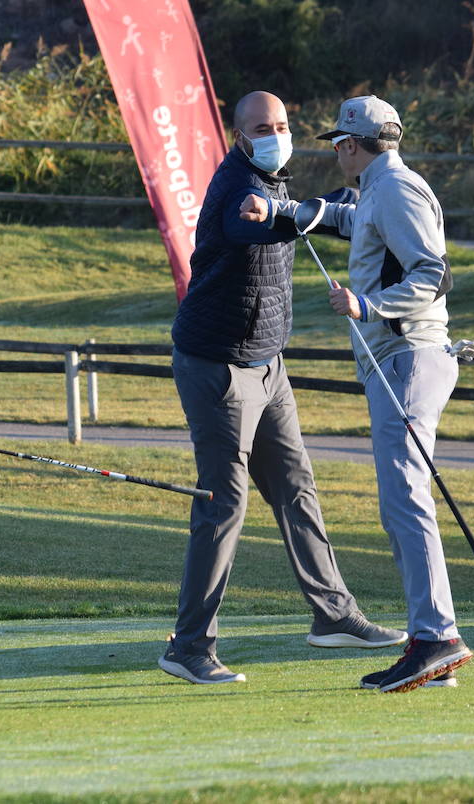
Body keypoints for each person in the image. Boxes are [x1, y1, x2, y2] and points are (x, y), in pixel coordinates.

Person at [160, 90, 407, 685]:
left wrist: (328, 208)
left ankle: (333, 615)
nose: (275, 133)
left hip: (268, 365)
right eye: (261, 126)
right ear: (238, 135)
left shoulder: (273, 181)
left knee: (297, 487)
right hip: (217, 366)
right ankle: (189, 646)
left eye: (282, 124)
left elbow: (289, 217)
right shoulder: (237, 188)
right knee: (225, 503)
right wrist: (300, 211)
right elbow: (252, 229)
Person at [241, 95, 474, 692]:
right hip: (399, 361)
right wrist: (277, 208)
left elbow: (434, 274)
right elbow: (346, 220)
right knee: (401, 503)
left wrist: (368, 304)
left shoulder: (396, 189)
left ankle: (437, 638)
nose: (336, 153)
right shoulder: (377, 188)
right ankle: (436, 644)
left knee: (404, 501)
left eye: (337, 144)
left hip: (409, 356)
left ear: (349, 145)